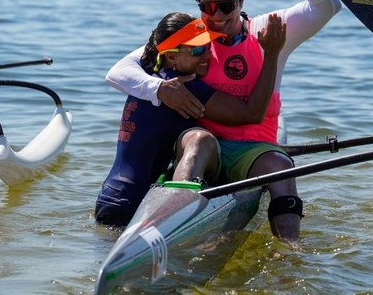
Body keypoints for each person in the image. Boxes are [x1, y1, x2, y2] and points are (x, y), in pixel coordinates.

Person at [106, 0, 342, 243]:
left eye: (226, 4)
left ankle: (290, 254)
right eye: (208, 6)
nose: (217, 15)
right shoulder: (192, 37)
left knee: (281, 166)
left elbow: (328, 6)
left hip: (254, 150)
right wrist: (159, 89)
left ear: (242, 0)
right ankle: (170, 229)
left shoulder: (268, 29)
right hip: (204, 149)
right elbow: (118, 71)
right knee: (198, 139)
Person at [96, 12, 286, 227]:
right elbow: (251, 113)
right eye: (197, 50)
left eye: (207, 47)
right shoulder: (185, 87)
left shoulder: (150, 80)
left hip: (110, 198)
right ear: (172, 57)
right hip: (139, 206)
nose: (207, 56)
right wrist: (271, 54)